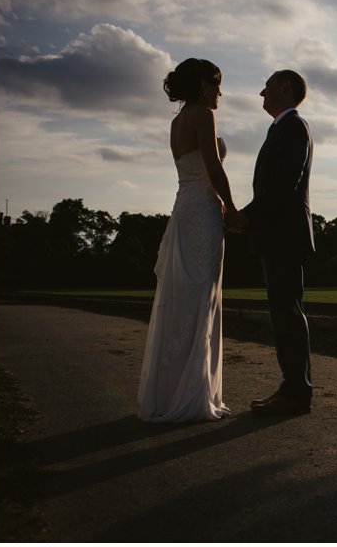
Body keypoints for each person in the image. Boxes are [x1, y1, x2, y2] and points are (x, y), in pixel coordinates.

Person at [138, 58, 238, 422]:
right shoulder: (202, 116)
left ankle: (170, 392)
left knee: (184, 296)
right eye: (216, 84)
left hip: (183, 207)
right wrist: (231, 208)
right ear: (201, 86)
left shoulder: (176, 122)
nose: (220, 93)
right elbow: (214, 168)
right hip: (204, 210)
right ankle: (194, 396)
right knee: (203, 297)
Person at [226, 70, 315, 417]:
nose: (261, 91)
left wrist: (247, 216)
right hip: (278, 235)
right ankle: (293, 388)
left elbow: (283, 185)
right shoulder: (280, 128)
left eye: (268, 84)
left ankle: (296, 393)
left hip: (285, 237)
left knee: (287, 313)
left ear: (285, 87)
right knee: (283, 313)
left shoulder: (294, 126)